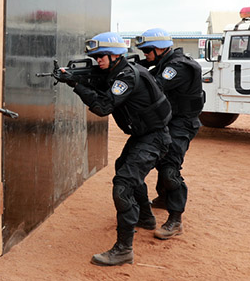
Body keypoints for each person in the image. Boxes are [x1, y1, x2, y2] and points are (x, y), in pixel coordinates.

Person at [56, 31, 171, 266]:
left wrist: (76, 85)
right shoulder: (117, 72)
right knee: (125, 168)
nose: (98, 61)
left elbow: (102, 106)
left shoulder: (126, 77)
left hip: (154, 137)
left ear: (116, 55)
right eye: (96, 57)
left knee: (123, 185)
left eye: (101, 56)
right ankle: (145, 218)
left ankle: (123, 249)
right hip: (144, 135)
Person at [135, 28, 204, 240]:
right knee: (161, 159)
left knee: (169, 167)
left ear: (162, 49)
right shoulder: (167, 62)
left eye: (147, 50)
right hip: (171, 121)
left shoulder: (177, 67)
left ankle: (176, 220)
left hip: (182, 123)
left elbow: (155, 85)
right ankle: (164, 198)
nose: (145, 54)